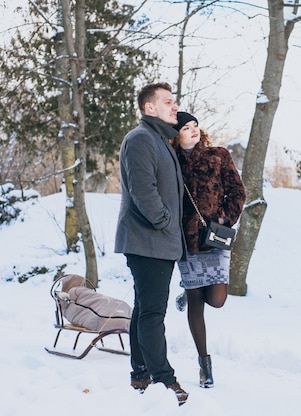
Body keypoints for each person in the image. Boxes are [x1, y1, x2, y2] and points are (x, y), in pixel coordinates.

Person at [114, 83, 189, 406]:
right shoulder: (141, 139)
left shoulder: (161, 141)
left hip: (156, 241)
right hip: (148, 241)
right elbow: (144, 192)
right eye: (168, 102)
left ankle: (140, 373)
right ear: (149, 108)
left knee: (144, 309)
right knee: (153, 313)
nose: (175, 107)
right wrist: (166, 223)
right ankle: (164, 379)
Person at [171, 111, 246, 388]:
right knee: (196, 303)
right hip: (185, 241)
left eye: (195, 126)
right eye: (186, 128)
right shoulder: (171, 162)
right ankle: (205, 365)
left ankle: (187, 292)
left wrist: (225, 217)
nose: (193, 131)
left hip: (213, 237)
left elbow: (238, 191)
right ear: (175, 135)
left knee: (216, 299)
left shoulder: (218, 155)